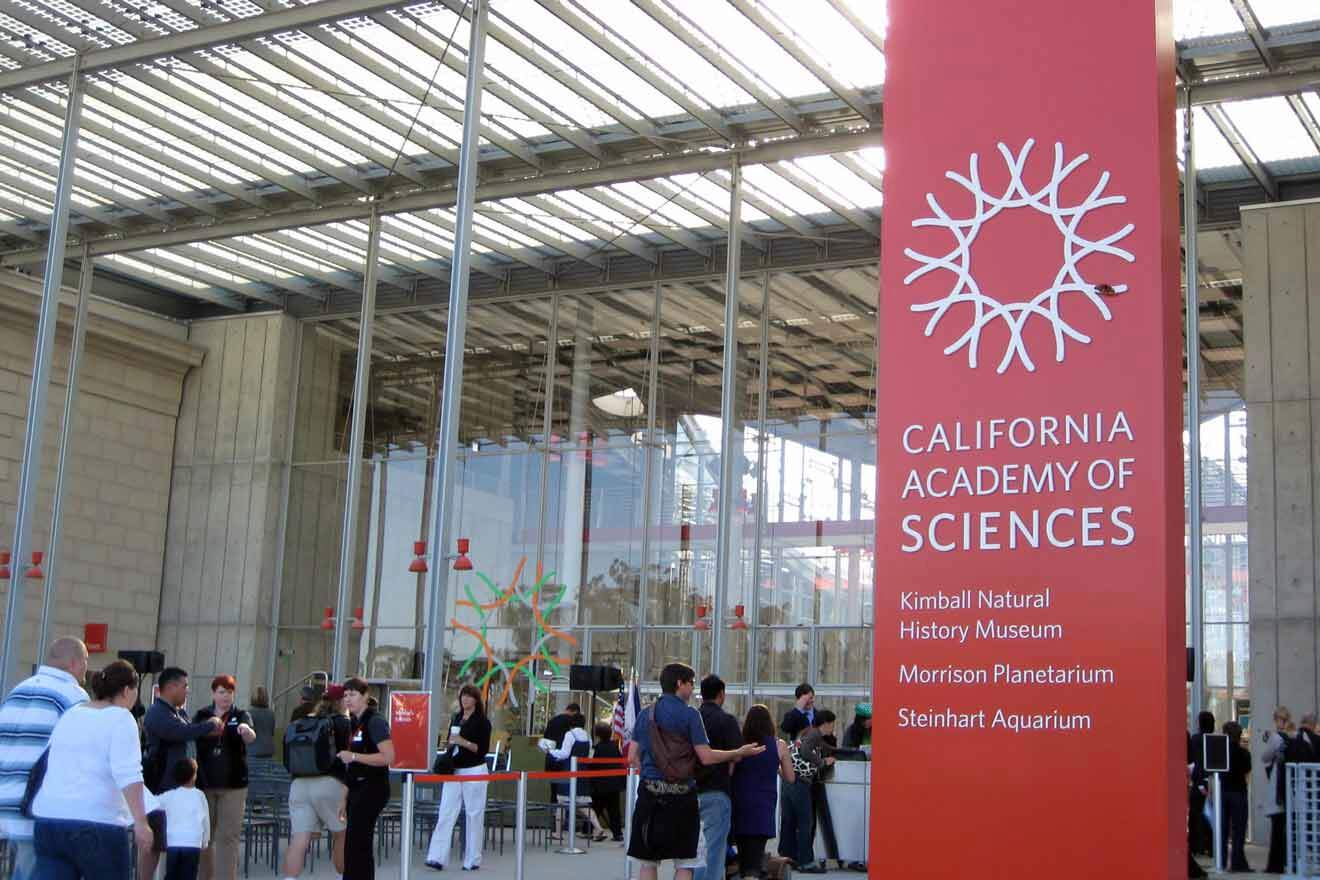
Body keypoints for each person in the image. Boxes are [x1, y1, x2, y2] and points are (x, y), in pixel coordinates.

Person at [627, 663, 765, 880]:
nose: (693, 689)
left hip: (649, 796)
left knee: (648, 862)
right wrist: (738, 751)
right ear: (679, 683)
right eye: (691, 683)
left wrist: (650, 770)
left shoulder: (646, 714)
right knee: (685, 862)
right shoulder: (690, 715)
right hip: (682, 796)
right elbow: (706, 757)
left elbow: (631, 756)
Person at [32, 660, 153, 880]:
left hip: (49, 816)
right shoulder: (121, 718)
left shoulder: (72, 713)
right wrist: (141, 822)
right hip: (97, 820)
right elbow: (128, 773)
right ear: (127, 691)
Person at [0, 637, 89, 880]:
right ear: (74, 663)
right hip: (33, 813)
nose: (85, 670)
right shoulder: (74, 698)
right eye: (85, 662)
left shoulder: (17, 692)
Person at [281, 685, 351, 880]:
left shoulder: (304, 721)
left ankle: (289, 879)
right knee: (341, 836)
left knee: (299, 839)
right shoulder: (344, 722)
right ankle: (341, 876)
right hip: (330, 784)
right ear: (341, 701)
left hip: (299, 785)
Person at [425, 684, 494, 871]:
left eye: (469, 696)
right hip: (454, 769)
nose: (465, 699)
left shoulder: (482, 722)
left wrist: (462, 742)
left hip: (474, 769)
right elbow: (451, 741)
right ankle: (436, 856)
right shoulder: (456, 717)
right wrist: (449, 746)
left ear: (475, 700)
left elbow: (481, 749)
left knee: (474, 815)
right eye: (463, 696)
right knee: (446, 811)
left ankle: (473, 859)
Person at [193, 675, 256, 880]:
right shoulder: (202, 715)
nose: (225, 697)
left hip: (233, 785)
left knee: (228, 837)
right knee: (205, 836)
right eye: (221, 692)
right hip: (206, 783)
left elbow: (250, 735)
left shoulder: (241, 714)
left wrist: (245, 731)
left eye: (229, 692)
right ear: (213, 693)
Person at [340, 678, 394, 880]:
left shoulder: (375, 721)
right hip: (356, 787)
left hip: (373, 787)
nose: (348, 699)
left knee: (358, 843)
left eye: (353, 694)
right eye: (345, 695)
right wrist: (343, 797)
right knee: (352, 845)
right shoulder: (354, 722)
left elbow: (388, 757)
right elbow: (351, 768)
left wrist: (354, 756)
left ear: (364, 696)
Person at [732, 705, 794, 880]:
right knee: (755, 857)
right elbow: (790, 777)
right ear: (770, 723)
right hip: (763, 807)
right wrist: (775, 767)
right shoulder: (778, 745)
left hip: (740, 805)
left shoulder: (740, 745)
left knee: (744, 856)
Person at [145, 668, 225, 793]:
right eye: (185, 686)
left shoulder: (179, 713)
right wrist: (211, 724)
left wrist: (212, 731)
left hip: (184, 786)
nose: (187, 691)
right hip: (165, 787)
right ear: (171, 687)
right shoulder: (157, 712)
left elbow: (191, 732)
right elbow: (181, 732)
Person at [694, 675, 742, 880]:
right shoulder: (726, 720)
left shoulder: (691, 718)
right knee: (713, 853)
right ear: (721, 694)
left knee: (689, 853)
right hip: (716, 791)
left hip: (688, 791)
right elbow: (737, 754)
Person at [780, 709, 835, 873]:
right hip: (800, 783)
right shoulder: (815, 735)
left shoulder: (808, 732)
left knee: (789, 821)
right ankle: (806, 862)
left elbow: (818, 746)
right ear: (825, 724)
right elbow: (805, 751)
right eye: (832, 724)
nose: (832, 728)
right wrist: (823, 762)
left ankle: (787, 858)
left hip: (788, 781)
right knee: (806, 822)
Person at [545, 711, 607, 841]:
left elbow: (565, 753)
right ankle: (598, 827)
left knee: (561, 802)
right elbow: (590, 757)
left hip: (569, 770)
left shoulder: (570, 734)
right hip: (583, 772)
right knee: (584, 804)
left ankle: (557, 832)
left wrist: (550, 751)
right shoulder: (588, 736)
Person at [159, 759, 211, 880]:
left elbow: (153, 802)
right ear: (194, 776)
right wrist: (205, 840)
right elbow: (205, 819)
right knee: (189, 874)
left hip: (173, 842)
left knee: (172, 874)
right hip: (193, 842)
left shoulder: (169, 795)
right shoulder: (200, 795)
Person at [1263, 706, 1299, 874]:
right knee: (1289, 828)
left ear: (1277, 720)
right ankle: (1289, 861)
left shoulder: (1276, 738)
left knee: (1277, 829)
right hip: (1292, 787)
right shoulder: (1295, 737)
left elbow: (1265, 757)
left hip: (1278, 788)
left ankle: (1274, 865)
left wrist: (1268, 739)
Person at [1219, 721, 1251, 873]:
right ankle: (1237, 862)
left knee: (1223, 828)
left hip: (1223, 791)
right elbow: (1247, 770)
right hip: (1239, 792)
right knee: (1239, 829)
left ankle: (1222, 860)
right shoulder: (1244, 753)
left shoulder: (1220, 752)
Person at [590, 723, 625, 842]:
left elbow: (595, 766)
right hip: (614, 783)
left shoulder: (599, 748)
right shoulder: (614, 746)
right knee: (614, 810)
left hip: (601, 784)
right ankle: (617, 833)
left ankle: (588, 829)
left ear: (598, 735)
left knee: (596, 807)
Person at [1188, 710, 1215, 856]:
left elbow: (1195, 762)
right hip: (1212, 781)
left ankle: (1196, 846)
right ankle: (1210, 846)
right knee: (1210, 816)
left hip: (1198, 781)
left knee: (1196, 815)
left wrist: (1197, 783)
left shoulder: (1196, 739)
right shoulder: (1214, 739)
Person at [541, 702, 582, 771]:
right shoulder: (571, 722)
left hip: (549, 756)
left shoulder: (553, 720)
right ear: (575, 712)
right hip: (563, 759)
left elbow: (546, 737)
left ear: (567, 709)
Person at [247, 688, 276, 761]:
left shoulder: (249, 714)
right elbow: (272, 733)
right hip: (268, 750)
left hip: (253, 751)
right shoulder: (271, 713)